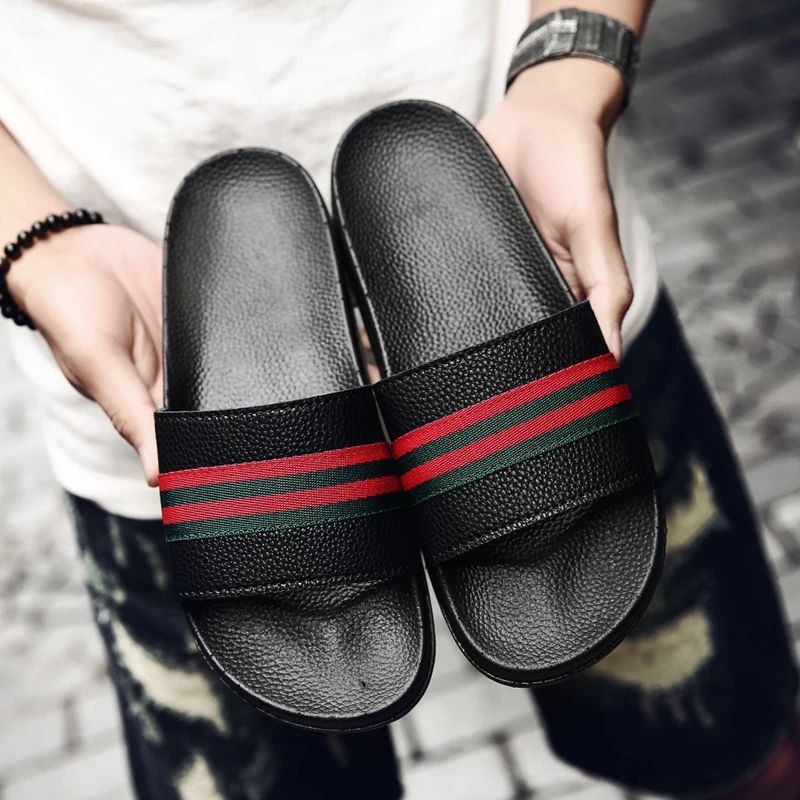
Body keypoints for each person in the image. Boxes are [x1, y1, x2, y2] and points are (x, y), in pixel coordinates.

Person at [1, 0, 797, 797]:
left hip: (529, 265)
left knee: (737, 750)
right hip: (169, 365)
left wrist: (570, 73)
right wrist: (34, 243)